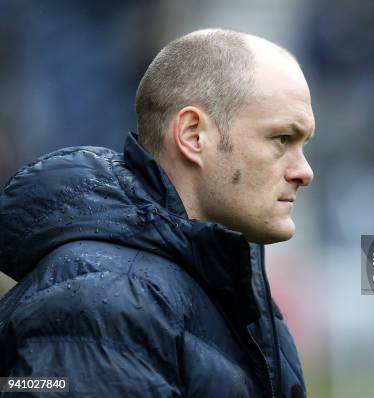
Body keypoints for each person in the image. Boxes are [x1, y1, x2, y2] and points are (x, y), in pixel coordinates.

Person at [0, 28, 314, 397]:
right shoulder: (100, 301)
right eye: (282, 140)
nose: (304, 172)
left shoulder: (218, 287)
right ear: (194, 135)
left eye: (303, 144)